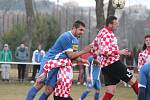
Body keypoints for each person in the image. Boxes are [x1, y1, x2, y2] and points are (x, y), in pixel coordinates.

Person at [26, 20, 92, 100]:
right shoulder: (67, 37)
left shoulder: (76, 40)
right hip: (50, 61)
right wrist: (84, 51)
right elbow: (70, 55)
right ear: (74, 28)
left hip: (59, 64)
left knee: (49, 89)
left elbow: (74, 55)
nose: (82, 32)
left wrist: (82, 60)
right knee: (39, 84)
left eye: (83, 31)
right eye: (80, 30)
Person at [91, 15, 138, 100]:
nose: (117, 25)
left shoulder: (101, 32)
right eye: (116, 23)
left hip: (106, 66)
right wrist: (120, 52)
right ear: (110, 24)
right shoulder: (106, 34)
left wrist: (95, 58)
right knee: (134, 81)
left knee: (110, 92)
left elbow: (94, 45)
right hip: (113, 64)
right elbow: (105, 52)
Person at [138, 35, 150, 100]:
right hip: (145, 76)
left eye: (149, 40)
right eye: (147, 40)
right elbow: (140, 67)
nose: (148, 42)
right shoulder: (141, 54)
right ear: (145, 42)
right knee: (145, 93)